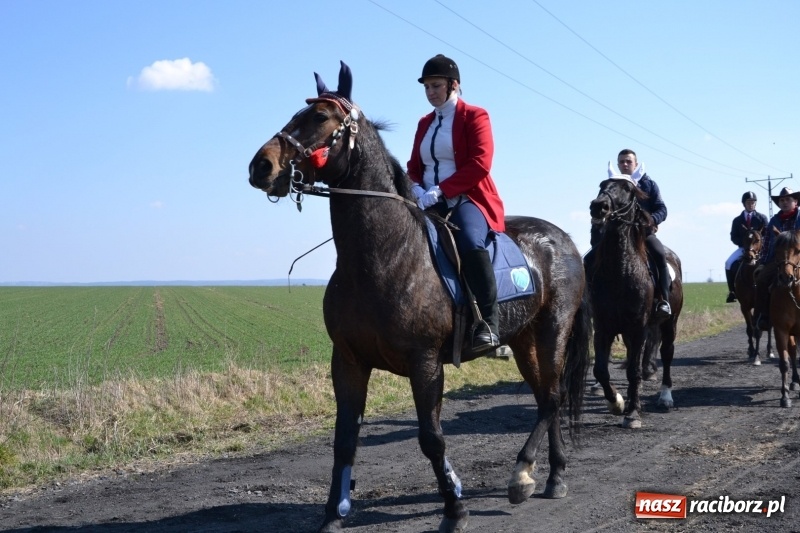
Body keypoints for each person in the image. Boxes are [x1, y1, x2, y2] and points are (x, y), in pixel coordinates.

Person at [407, 54, 505, 354]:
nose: (430, 92)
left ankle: (489, 322)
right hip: (425, 200)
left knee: (470, 242)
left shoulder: (475, 116)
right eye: (426, 87)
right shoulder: (425, 123)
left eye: (436, 86)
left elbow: (480, 164)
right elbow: (414, 164)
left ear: (454, 85)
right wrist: (414, 187)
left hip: (466, 198)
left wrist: (441, 191)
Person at [585, 149, 671, 320]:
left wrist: (651, 220)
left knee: (660, 255)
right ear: (618, 165)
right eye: (622, 161)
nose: (625, 164)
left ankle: (664, 301)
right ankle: (586, 302)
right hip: (613, 236)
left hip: (642, 234)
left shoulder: (648, 184)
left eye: (628, 161)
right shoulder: (611, 185)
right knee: (587, 260)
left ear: (635, 164)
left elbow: (662, 209)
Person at [754, 187, 800, 330]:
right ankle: (765, 315)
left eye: (788, 199)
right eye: (782, 200)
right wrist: (763, 263)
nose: (784, 202)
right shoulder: (774, 221)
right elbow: (767, 244)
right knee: (761, 279)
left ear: (795, 201)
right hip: (778, 260)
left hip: (798, 259)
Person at [724, 191, 768, 303]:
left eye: (753, 202)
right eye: (749, 202)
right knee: (728, 263)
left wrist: (756, 245)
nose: (751, 204)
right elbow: (733, 236)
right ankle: (732, 292)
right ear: (744, 204)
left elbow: (767, 234)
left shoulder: (762, 218)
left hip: (759, 249)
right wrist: (745, 244)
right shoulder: (737, 220)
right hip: (743, 248)